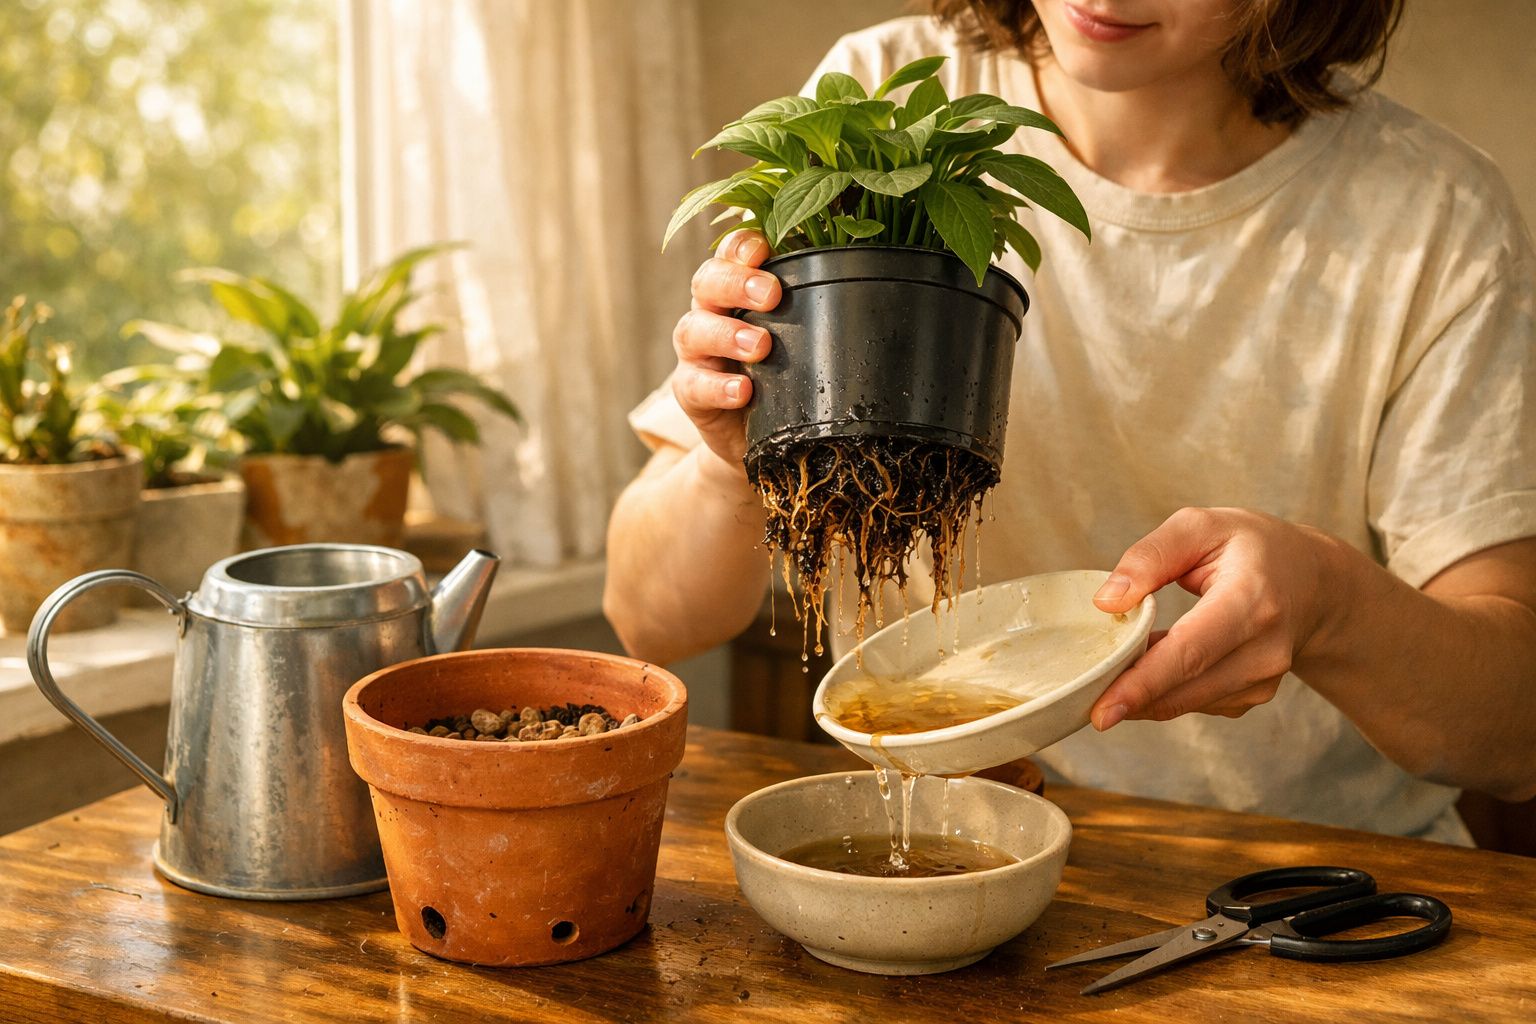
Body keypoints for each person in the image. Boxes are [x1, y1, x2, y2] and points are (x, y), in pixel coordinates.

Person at [604, 0, 1536, 843]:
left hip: (1304, 876)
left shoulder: (1431, 214)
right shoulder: (889, 102)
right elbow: (648, 615)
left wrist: (1330, 604)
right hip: (941, 844)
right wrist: (739, 459)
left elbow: (1514, 735)